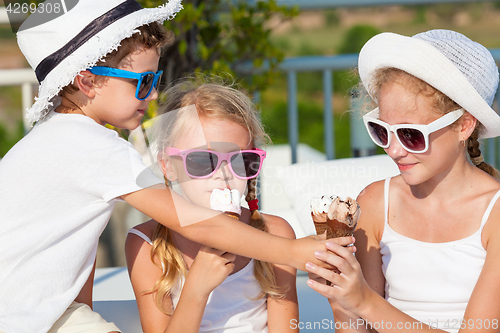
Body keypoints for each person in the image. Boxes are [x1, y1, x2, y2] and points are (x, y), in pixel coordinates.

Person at [0, 1, 347, 332]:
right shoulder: (95, 147)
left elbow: (79, 253)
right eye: (143, 82)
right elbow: (196, 225)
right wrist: (291, 251)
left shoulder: (56, 137)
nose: (152, 95)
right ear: (89, 82)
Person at [305, 29, 500, 333]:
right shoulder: (374, 202)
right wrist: (340, 297)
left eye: (412, 135)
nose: (393, 149)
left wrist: (364, 301)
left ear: (463, 125)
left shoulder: (495, 215)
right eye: (382, 131)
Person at [125, 79, 299, 332]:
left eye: (240, 160)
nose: (223, 173)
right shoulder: (146, 245)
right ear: (169, 166)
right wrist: (196, 288)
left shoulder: (274, 232)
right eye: (203, 160)